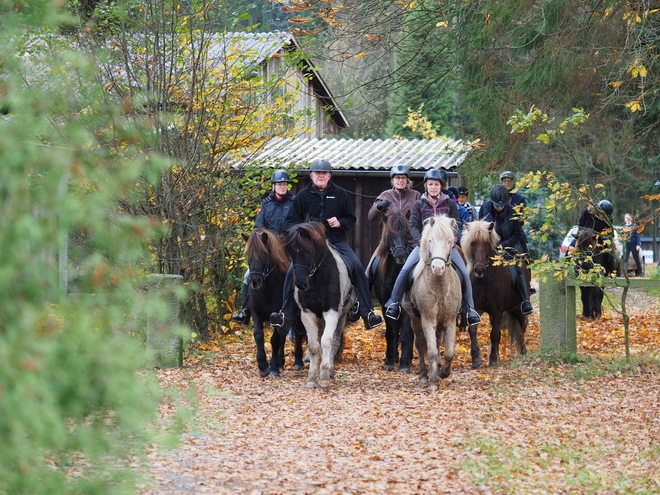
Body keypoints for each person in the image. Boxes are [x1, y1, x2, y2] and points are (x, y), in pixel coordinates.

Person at [270, 158, 383, 331]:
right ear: (311, 175)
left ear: (329, 176)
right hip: (310, 247)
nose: (320, 176)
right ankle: (285, 314)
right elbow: (289, 222)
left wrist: (340, 222)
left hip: (335, 241)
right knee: (291, 271)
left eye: (324, 173)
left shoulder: (340, 194)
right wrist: (305, 229)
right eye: (317, 173)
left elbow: (351, 218)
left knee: (357, 267)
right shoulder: (302, 196)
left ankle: (367, 312)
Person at [383, 169, 482, 326]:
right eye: (430, 184)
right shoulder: (418, 204)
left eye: (436, 184)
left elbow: (456, 224)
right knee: (405, 269)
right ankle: (393, 303)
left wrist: (452, 240)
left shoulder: (450, 203)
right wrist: (422, 241)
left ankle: (470, 309)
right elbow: (413, 226)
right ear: (426, 186)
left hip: (446, 247)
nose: (433, 187)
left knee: (463, 271)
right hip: (424, 247)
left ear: (441, 186)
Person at [232, 170, 295, 325]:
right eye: (279, 184)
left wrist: (285, 237)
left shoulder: (294, 202)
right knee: (248, 275)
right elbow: (258, 227)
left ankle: (297, 309)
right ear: (273, 186)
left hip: (287, 247)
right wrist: (265, 239)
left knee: (297, 272)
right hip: (269, 249)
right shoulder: (266, 204)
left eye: (284, 184)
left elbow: (298, 223)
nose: (282, 187)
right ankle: (245, 310)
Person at [479, 185, 534, 315]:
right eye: (497, 204)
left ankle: (525, 300)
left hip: (507, 245)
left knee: (516, 268)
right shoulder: (485, 208)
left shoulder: (512, 211)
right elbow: (479, 228)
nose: (499, 207)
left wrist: (502, 246)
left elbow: (517, 234)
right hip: (487, 246)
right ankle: (468, 304)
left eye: (502, 204)